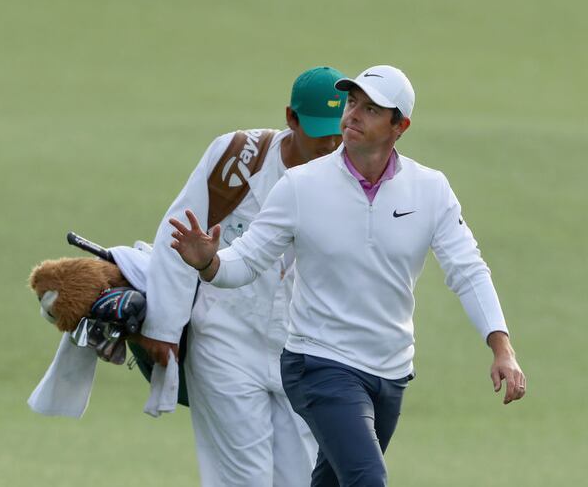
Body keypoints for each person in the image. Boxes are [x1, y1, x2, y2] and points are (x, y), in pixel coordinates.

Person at [168, 65, 527, 487]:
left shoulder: (430, 190)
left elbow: (468, 270)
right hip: (318, 362)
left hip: (390, 370)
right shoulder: (301, 185)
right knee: (366, 479)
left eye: (371, 109)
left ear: (400, 126)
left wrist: (501, 348)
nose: (353, 114)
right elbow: (247, 261)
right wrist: (209, 263)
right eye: (352, 102)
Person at [138, 66, 348, 486]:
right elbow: (178, 235)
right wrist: (163, 327)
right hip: (226, 339)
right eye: (318, 132)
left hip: (305, 351)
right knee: (242, 480)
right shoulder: (237, 157)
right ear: (291, 118)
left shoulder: (357, 177)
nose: (329, 144)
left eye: (337, 133)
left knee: (302, 479)